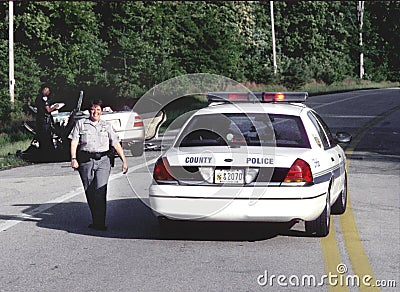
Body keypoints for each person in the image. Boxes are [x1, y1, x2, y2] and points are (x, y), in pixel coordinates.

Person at [69, 99, 128, 231]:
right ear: (89, 111)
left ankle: (100, 222)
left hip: (103, 160)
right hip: (86, 160)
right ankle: (95, 218)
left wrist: (124, 160)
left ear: (102, 112)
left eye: (98, 110)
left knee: (100, 190)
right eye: (93, 110)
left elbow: (115, 143)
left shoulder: (106, 126)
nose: (95, 112)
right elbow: (74, 142)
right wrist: (73, 158)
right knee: (90, 190)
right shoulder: (81, 124)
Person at [35, 85, 59, 157]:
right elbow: (48, 110)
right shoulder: (44, 98)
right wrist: (55, 107)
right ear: (45, 89)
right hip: (44, 120)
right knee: (47, 136)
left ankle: (43, 152)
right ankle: (49, 153)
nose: (49, 92)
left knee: (42, 136)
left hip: (39, 119)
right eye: (48, 90)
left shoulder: (37, 98)